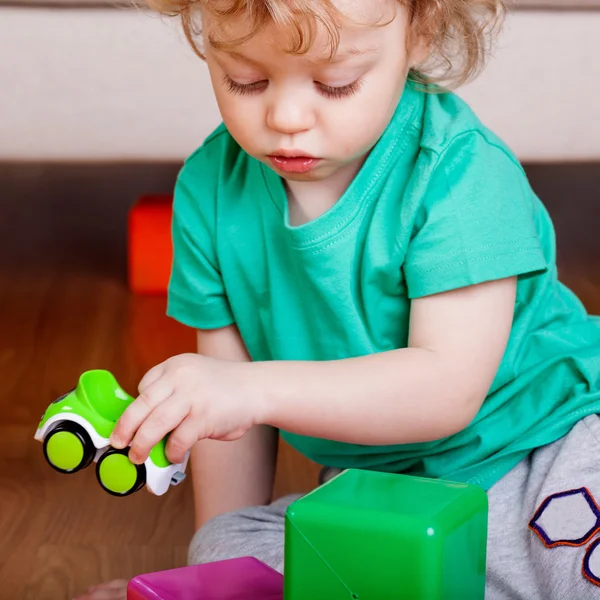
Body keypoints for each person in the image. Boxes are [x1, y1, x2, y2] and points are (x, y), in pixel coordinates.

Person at [76, 0, 600, 598]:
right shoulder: (209, 190)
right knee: (228, 545)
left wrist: (248, 391)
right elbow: (230, 420)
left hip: (542, 446)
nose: (286, 116)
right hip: (380, 494)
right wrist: (208, 574)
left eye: (335, 83)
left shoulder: (461, 172)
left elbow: (446, 390)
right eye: (244, 79)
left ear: (420, 35)